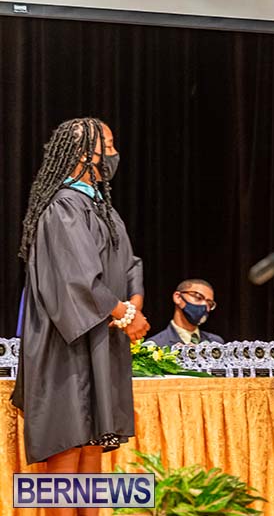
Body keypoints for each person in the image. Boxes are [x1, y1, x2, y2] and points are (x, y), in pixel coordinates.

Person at [11, 117, 150, 516]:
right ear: (82, 153)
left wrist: (134, 301)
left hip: (100, 337)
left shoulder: (101, 207)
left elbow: (129, 262)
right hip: (65, 344)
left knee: (93, 442)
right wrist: (124, 313)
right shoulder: (63, 207)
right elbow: (76, 278)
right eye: (108, 145)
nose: (114, 153)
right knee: (68, 440)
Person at [150, 278, 224, 346]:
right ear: (178, 297)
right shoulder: (156, 344)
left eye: (209, 303)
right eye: (198, 297)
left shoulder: (215, 342)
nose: (204, 305)